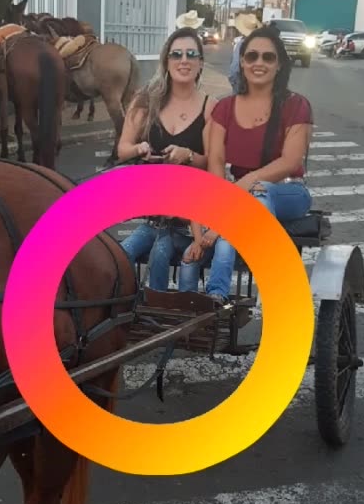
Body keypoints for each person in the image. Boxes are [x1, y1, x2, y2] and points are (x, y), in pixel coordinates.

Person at [179, 24, 313, 303]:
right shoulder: (225, 108)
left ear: (279, 64)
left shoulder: (296, 105)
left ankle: (266, 281)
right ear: (241, 61)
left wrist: (242, 188)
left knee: (259, 194)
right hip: (239, 195)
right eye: (251, 56)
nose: (258, 63)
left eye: (268, 57)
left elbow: (290, 161)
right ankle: (196, 302)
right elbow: (216, 161)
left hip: (286, 191)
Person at [117, 25, 217, 291]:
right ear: (166, 61)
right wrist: (140, 148)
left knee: (160, 254)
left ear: (200, 63)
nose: (184, 60)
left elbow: (212, 163)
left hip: (189, 218)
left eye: (191, 54)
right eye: (176, 54)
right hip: (154, 213)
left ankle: (165, 309)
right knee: (119, 257)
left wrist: (188, 155)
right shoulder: (145, 100)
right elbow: (123, 149)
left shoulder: (210, 107)